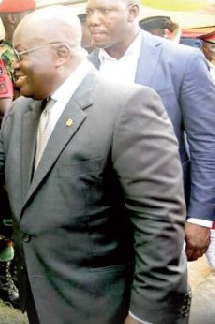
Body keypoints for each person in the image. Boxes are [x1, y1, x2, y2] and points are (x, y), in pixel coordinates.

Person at [0, 6, 190, 323]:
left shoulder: (127, 106)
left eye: (22, 53)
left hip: (100, 304)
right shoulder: (23, 111)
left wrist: (145, 316)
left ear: (60, 53)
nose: (14, 64)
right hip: (42, 297)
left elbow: (160, 227)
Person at [86, 0, 215, 262]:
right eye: (89, 12)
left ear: (133, 12)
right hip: (98, 214)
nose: (93, 20)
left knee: (161, 295)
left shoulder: (181, 61)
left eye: (104, 11)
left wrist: (200, 217)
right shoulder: (83, 69)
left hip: (162, 212)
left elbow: (207, 142)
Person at [0, 0, 36, 309]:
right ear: (15, 16)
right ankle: (3, 274)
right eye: (31, 13)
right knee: (6, 218)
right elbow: (6, 111)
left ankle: (21, 270)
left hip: (33, 147)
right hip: (14, 149)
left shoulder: (26, 53)